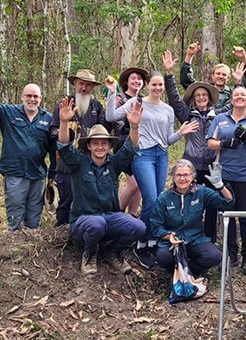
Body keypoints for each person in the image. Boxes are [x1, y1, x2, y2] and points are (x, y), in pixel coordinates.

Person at [105, 71, 199, 269]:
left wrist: (180, 133)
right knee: (151, 199)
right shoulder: (136, 103)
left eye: (160, 85)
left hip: (161, 155)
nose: (157, 88)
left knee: (159, 199)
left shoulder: (167, 110)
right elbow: (111, 115)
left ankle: (152, 240)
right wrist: (111, 92)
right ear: (147, 85)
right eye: (154, 84)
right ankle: (142, 243)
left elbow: (166, 140)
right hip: (142, 154)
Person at [57, 97, 146, 276]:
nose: (100, 147)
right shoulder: (78, 163)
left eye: (104, 143)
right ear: (88, 146)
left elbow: (130, 148)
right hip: (83, 222)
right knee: (96, 224)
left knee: (139, 227)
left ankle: (114, 252)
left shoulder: (113, 163)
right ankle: (90, 254)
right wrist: (64, 122)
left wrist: (135, 127)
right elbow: (65, 147)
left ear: (108, 146)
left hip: (109, 218)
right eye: (95, 143)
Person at [208, 85, 246, 276]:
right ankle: (231, 254)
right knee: (227, 214)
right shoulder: (220, 119)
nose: (240, 97)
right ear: (231, 100)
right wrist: (225, 144)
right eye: (236, 95)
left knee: (245, 215)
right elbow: (210, 143)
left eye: (243, 95)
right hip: (224, 175)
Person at [163, 50, 221, 239]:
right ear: (194, 99)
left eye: (205, 95)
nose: (202, 97)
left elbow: (239, 102)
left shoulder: (219, 116)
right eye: (198, 95)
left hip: (213, 166)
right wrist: (169, 75)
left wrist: (238, 82)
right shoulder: (188, 115)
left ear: (209, 98)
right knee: (188, 203)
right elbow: (174, 100)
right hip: (192, 166)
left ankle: (210, 239)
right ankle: (186, 237)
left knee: (212, 204)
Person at [150, 159, 234, 281]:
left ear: (193, 176)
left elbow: (227, 203)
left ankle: (191, 273)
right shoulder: (164, 198)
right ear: (173, 177)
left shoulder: (202, 192)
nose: (182, 178)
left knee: (214, 256)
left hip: (196, 239)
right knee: (162, 257)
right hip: (172, 241)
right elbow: (155, 227)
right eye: (178, 175)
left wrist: (220, 186)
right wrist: (168, 236)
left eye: (186, 175)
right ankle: (175, 275)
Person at [49, 69, 111, 227]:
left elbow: (105, 128)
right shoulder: (63, 104)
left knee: (89, 202)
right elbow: (52, 131)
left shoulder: (96, 106)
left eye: (88, 85)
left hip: (90, 164)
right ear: (75, 84)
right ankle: (62, 233)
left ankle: (84, 231)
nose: (84, 88)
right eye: (81, 84)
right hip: (66, 163)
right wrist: (69, 131)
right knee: (65, 201)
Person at [0, 84, 54, 230]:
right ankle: (14, 251)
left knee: (34, 220)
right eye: (28, 96)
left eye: (35, 96)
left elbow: (53, 149)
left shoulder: (48, 119)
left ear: (41, 98)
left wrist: (52, 174)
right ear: (22, 97)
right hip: (15, 173)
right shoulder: (8, 112)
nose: (32, 99)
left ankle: (31, 249)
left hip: (37, 175)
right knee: (15, 217)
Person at [114, 67, 149, 215]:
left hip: (142, 146)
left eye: (139, 79)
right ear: (126, 81)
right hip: (124, 145)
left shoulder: (144, 100)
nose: (136, 81)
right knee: (133, 184)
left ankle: (132, 216)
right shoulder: (120, 99)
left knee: (140, 184)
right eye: (133, 78)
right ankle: (117, 213)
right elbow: (114, 122)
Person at [179, 43, 246, 108]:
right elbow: (187, 81)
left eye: (224, 74)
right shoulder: (204, 92)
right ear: (212, 76)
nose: (221, 76)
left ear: (228, 78)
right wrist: (189, 56)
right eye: (218, 73)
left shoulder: (235, 92)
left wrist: (244, 58)